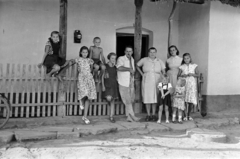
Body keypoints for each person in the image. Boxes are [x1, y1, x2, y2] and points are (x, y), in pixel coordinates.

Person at [136, 47, 166, 122]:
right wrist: (142, 74)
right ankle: (148, 115)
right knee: (147, 97)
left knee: (155, 97)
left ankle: (153, 114)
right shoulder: (144, 60)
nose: (152, 54)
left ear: (156, 53)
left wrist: (163, 77)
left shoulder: (159, 61)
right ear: (148, 53)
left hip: (157, 79)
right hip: (147, 79)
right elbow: (137, 66)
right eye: (150, 52)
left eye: (154, 52)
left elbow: (163, 71)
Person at [71, 46, 97, 125]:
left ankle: (85, 116)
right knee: (83, 92)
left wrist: (92, 73)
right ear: (80, 52)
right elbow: (71, 62)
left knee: (88, 97)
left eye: (86, 52)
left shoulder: (90, 60)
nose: (85, 54)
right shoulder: (78, 59)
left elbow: (92, 68)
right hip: (82, 77)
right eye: (83, 52)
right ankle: (81, 102)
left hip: (89, 77)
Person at [116, 46, 140, 122]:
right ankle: (132, 116)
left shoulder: (132, 59)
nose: (129, 53)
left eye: (130, 51)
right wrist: (129, 69)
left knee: (130, 99)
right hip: (123, 82)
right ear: (124, 52)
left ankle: (129, 117)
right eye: (127, 51)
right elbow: (119, 68)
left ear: (132, 52)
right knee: (127, 100)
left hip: (130, 81)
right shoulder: (121, 58)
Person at [178, 53, 199, 121]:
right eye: (185, 58)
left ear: (190, 58)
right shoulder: (182, 66)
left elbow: (198, 74)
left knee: (191, 99)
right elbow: (178, 76)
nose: (186, 60)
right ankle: (184, 115)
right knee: (184, 99)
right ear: (183, 59)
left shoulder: (194, 65)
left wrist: (192, 74)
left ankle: (189, 115)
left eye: (188, 58)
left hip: (192, 84)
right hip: (184, 83)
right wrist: (183, 75)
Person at [102, 52, 118, 123]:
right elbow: (102, 77)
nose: (113, 60)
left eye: (114, 58)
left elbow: (116, 76)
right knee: (109, 98)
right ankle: (110, 113)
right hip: (107, 84)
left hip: (114, 84)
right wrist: (102, 85)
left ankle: (111, 116)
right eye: (112, 58)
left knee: (112, 100)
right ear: (109, 58)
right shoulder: (105, 66)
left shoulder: (115, 67)